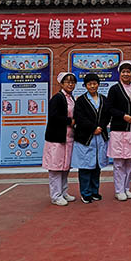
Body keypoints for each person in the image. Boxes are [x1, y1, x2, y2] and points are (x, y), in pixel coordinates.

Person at [105, 61, 131, 201]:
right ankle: (119, 190)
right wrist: (123, 115)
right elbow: (109, 108)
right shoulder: (114, 89)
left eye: (128, 71)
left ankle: (126, 188)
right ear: (120, 73)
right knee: (119, 162)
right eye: (123, 71)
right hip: (119, 129)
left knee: (130, 161)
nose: (126, 74)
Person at [71, 73, 110, 204]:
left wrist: (101, 127)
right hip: (86, 137)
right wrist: (93, 128)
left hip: (100, 136)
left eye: (94, 83)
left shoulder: (104, 99)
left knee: (96, 167)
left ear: (98, 84)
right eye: (89, 84)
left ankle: (94, 191)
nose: (92, 86)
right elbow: (80, 118)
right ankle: (85, 193)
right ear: (85, 86)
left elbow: (107, 116)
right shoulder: (81, 101)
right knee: (85, 167)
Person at [43, 72, 77, 206]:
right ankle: (56, 196)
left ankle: (63, 192)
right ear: (61, 84)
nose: (70, 84)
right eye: (67, 82)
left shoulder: (71, 98)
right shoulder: (57, 98)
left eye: (73, 82)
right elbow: (53, 117)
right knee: (55, 168)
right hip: (57, 138)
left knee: (65, 167)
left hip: (68, 137)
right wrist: (70, 121)